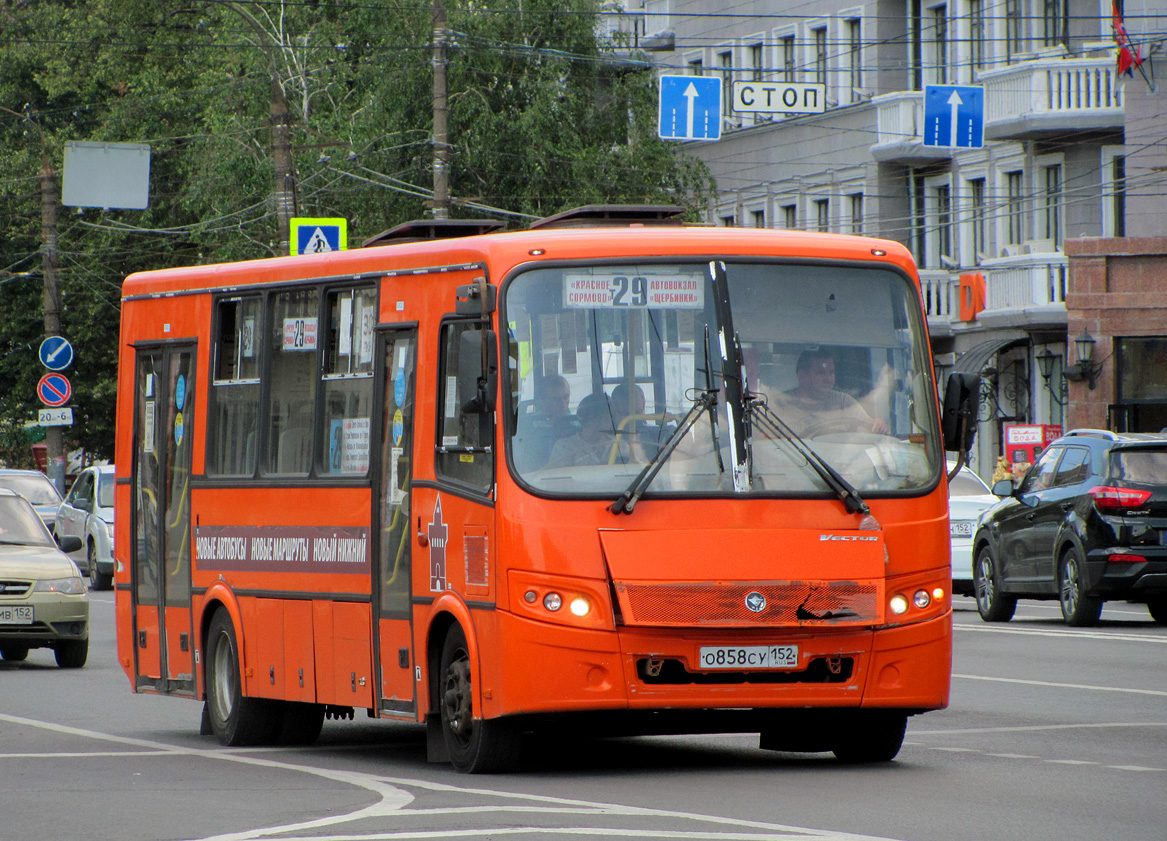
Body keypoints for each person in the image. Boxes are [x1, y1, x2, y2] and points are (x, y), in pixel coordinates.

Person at [771, 349, 890, 436]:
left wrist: (877, 424)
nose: (828, 378)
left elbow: (868, 425)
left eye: (831, 372)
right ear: (802, 375)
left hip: (837, 467)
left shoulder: (843, 401)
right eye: (821, 373)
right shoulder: (780, 403)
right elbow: (763, 443)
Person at [513, 374, 579, 470]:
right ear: (542, 400)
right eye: (556, 399)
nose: (563, 404)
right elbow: (519, 463)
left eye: (566, 397)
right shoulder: (527, 426)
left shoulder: (576, 424)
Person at [547, 392, 630, 467]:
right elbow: (558, 480)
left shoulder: (620, 446)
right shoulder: (564, 447)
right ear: (584, 420)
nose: (603, 424)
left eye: (607, 419)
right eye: (596, 419)